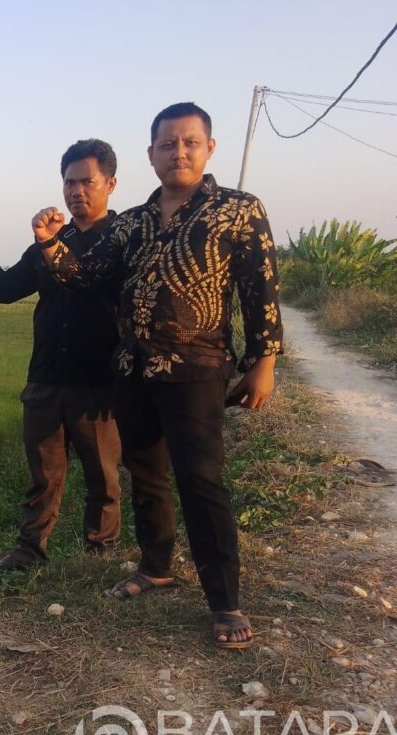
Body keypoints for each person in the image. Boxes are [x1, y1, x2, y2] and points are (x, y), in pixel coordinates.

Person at [34, 103, 282, 650]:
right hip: (133, 368)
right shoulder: (132, 223)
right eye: (168, 145)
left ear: (208, 148)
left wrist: (263, 360)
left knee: (201, 479)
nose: (179, 153)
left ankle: (224, 600)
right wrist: (52, 243)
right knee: (145, 472)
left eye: (190, 142)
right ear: (151, 155)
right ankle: (155, 566)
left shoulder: (236, 211)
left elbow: (260, 288)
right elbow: (87, 277)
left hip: (198, 367)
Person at [0, 139, 123, 571]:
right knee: (43, 476)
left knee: (102, 476)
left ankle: (100, 557)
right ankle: (29, 552)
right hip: (48, 376)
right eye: (69, 182)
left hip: (99, 381)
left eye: (86, 181)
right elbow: (7, 289)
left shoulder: (125, 239)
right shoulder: (52, 239)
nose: (76, 191)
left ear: (110, 183)